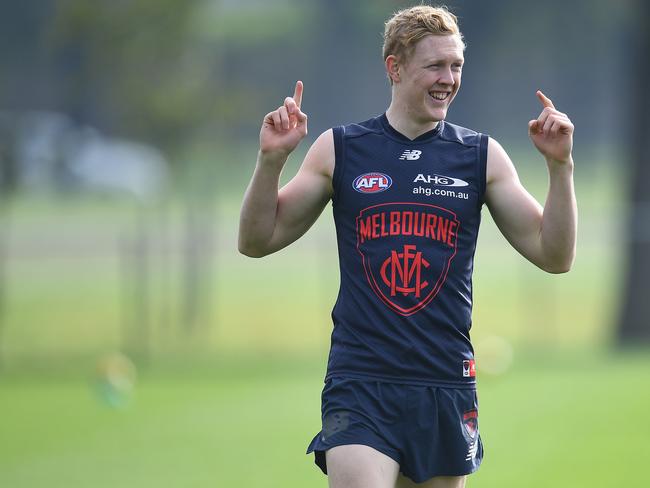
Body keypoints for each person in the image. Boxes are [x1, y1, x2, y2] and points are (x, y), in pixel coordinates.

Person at [238, 5, 577, 488]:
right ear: (395, 68)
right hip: (361, 381)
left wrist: (560, 168)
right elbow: (256, 240)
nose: (449, 79)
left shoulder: (481, 156)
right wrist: (271, 160)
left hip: (444, 381)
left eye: (456, 66)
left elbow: (555, 255)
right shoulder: (341, 149)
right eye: (435, 66)